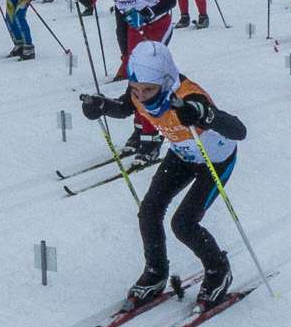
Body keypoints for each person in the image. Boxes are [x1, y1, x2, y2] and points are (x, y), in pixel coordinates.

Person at [78, 39, 246, 308]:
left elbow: (239, 131)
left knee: (183, 223)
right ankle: (156, 273)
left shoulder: (189, 97)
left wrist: (204, 115)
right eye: (136, 88)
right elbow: (124, 108)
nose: (141, 95)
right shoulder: (138, 92)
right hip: (182, 155)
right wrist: (101, 106)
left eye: (148, 89)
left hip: (215, 161)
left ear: (166, 81)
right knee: (149, 211)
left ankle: (218, 271)